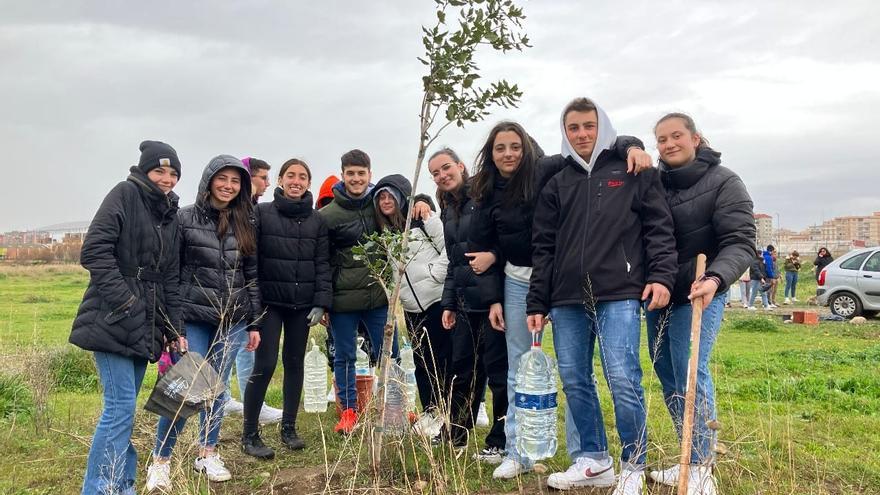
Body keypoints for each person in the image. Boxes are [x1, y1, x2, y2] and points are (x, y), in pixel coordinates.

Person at [468, 120, 649, 479]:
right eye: (500, 148)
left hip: (563, 278)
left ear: (528, 148)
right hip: (519, 282)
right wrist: (493, 295)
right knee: (520, 365)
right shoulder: (485, 190)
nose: (508, 154)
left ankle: (585, 453)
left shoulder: (548, 169)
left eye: (515, 146)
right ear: (490, 153)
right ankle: (517, 450)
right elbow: (482, 248)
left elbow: (598, 146)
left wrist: (632, 146)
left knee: (575, 367)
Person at [527, 97, 677, 494]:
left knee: (623, 377)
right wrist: (537, 303)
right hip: (566, 298)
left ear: (602, 126)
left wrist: (662, 276)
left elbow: (658, 228)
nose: (582, 134)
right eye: (573, 128)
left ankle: (633, 464)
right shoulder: (557, 182)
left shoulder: (632, 169)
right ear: (565, 132)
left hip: (619, 292)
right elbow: (543, 247)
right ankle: (594, 460)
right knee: (575, 379)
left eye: (588, 126)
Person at [645, 112, 755, 494]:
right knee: (667, 373)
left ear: (696, 138)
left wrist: (715, 278)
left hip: (700, 291)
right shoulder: (654, 183)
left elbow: (741, 241)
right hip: (660, 295)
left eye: (676, 136)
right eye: (661, 139)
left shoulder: (725, 182)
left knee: (691, 372)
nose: (669, 144)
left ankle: (701, 467)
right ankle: (687, 456)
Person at [71, 141, 184, 495]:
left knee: (125, 409)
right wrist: (125, 301)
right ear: (144, 171)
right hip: (111, 320)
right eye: (159, 171)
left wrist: (173, 329)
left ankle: (122, 483)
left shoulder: (168, 214)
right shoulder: (125, 194)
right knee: (119, 408)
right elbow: (94, 251)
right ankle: (99, 488)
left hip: (145, 325)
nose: (166, 179)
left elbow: (170, 278)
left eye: (173, 173)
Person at [146, 155, 262, 489]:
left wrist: (253, 323)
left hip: (234, 319)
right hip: (194, 317)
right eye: (222, 179)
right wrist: (175, 327)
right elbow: (173, 275)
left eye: (235, 181)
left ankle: (207, 453)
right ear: (209, 180)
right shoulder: (184, 219)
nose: (228, 186)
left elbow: (251, 276)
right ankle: (161, 460)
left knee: (216, 391)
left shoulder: (246, 221)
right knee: (184, 390)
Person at [318, 149, 430, 433]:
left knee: (389, 354)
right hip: (342, 301)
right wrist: (323, 302)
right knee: (345, 357)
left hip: (378, 297)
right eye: (350, 173)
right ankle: (349, 412)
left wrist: (422, 201)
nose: (356, 179)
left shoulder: (378, 205)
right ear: (342, 175)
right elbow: (321, 262)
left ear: (370, 174)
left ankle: (398, 408)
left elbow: (403, 202)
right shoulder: (327, 215)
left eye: (361, 173)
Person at [241, 158, 332, 458]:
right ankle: (250, 434)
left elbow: (322, 264)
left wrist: (321, 301)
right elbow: (251, 261)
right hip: (269, 303)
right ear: (280, 180)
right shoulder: (261, 213)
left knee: (295, 364)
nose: (296, 181)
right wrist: (253, 303)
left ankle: (289, 427)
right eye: (290, 175)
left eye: (302, 176)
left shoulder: (317, 220)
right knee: (264, 366)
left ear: (308, 182)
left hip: (301, 304)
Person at [429, 147, 508, 458]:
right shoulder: (448, 208)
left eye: (446, 168)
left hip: (493, 302)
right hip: (463, 303)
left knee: (497, 372)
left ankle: (500, 439)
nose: (442, 175)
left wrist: (494, 258)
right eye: (435, 173)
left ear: (460, 166)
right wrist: (449, 303)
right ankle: (457, 431)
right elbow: (454, 262)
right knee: (462, 370)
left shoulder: (485, 195)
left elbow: (508, 243)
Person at [373, 174, 451, 436]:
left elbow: (449, 248)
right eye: (381, 197)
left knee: (443, 358)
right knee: (421, 359)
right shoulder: (386, 232)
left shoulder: (423, 218)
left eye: (390, 196)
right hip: (410, 305)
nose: (386, 201)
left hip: (436, 300)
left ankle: (450, 412)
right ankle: (430, 411)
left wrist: (434, 275)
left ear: (400, 197)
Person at [224, 156, 283, 423]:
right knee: (234, 348)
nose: (268, 183)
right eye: (263, 177)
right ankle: (240, 403)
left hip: (249, 289)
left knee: (242, 345)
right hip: (232, 291)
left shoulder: (254, 208)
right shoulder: (239, 210)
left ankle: (238, 400)